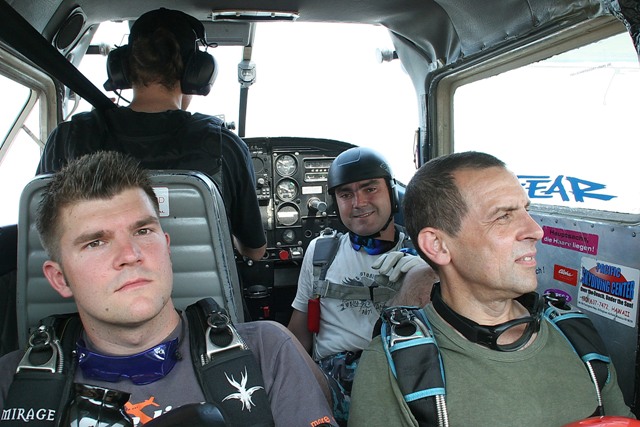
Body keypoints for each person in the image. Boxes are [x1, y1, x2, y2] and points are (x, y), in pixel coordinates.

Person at [0, 151, 335, 427]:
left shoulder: (265, 351)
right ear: (59, 279)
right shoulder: (10, 383)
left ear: (167, 246)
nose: (130, 255)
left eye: (143, 231)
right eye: (96, 242)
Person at [349, 151, 634, 427]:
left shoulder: (575, 333)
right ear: (438, 245)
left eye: (526, 210)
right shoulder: (393, 366)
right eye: (503, 217)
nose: (536, 230)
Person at [36, 8, 266, 261]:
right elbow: (254, 251)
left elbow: (40, 239)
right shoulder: (225, 145)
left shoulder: (69, 137)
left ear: (123, 69)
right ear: (195, 73)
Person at [287, 147, 437, 423]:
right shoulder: (320, 252)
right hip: (330, 378)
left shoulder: (425, 255)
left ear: (391, 194)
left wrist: (427, 276)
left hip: (395, 371)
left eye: (370, 189)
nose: (358, 202)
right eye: (346, 194)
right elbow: (298, 334)